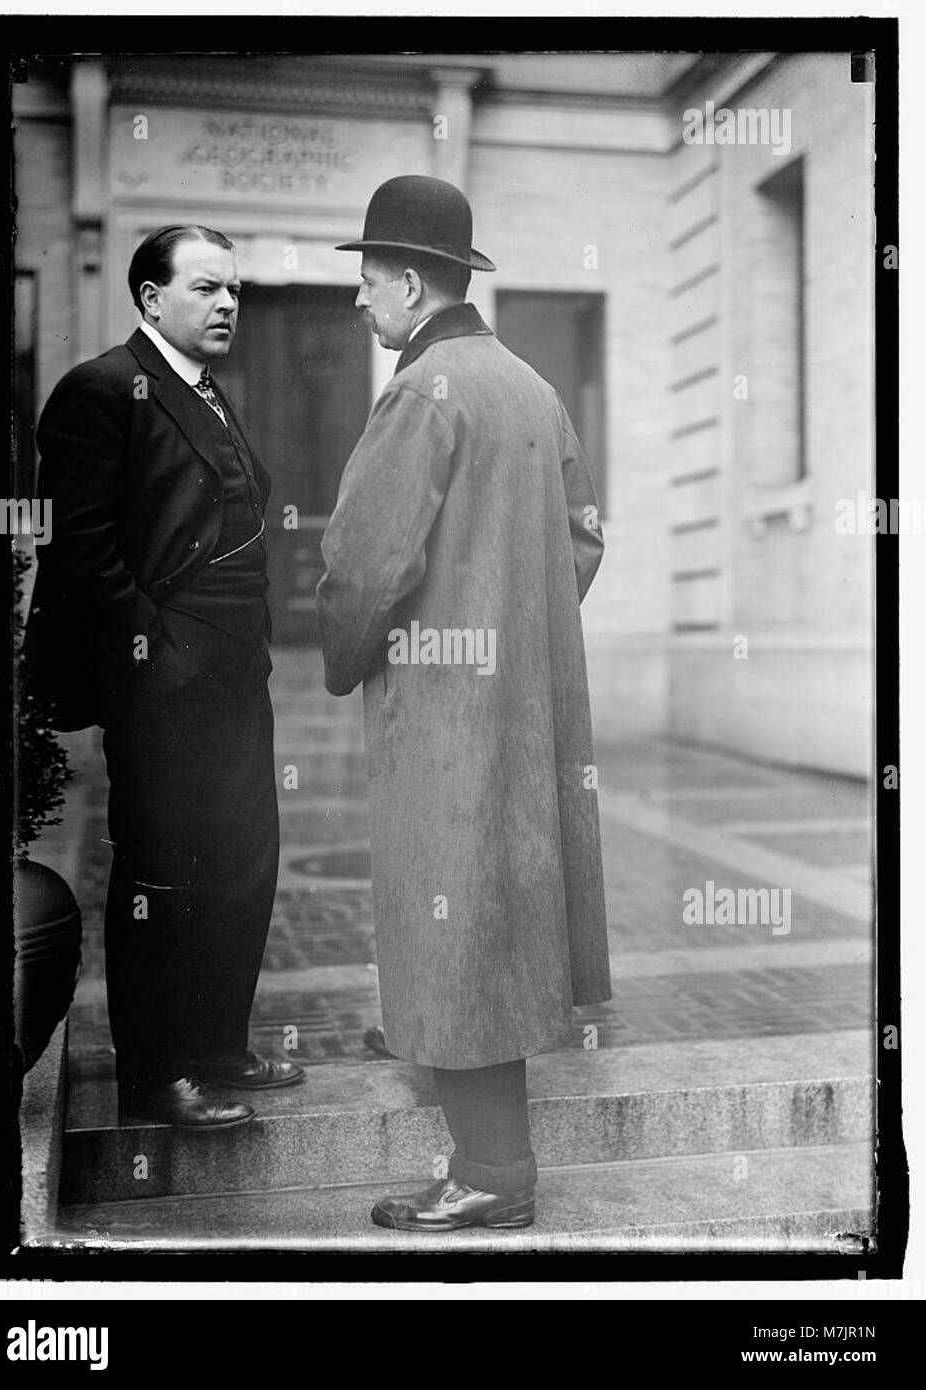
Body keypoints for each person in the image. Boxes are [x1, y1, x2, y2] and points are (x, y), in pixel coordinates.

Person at [317, 176, 610, 1230]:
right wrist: (519, 623)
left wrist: (349, 658)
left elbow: (361, 566)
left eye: (364, 280)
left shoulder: (421, 392)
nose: (358, 302)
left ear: (403, 283)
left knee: (455, 925)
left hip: (442, 717)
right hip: (523, 707)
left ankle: (491, 1173)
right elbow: (584, 536)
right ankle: (490, 1157)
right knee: (501, 916)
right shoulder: (529, 386)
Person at [25, 225, 304, 1129]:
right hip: (162, 682)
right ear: (150, 299)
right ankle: (158, 1072)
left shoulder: (209, 393)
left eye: (234, 291)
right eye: (205, 289)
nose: (227, 305)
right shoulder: (102, 390)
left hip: (233, 678)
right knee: (164, 874)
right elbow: (83, 554)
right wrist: (158, 653)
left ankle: (218, 1048)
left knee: (241, 864)